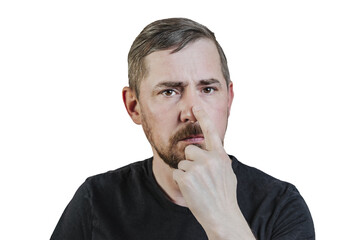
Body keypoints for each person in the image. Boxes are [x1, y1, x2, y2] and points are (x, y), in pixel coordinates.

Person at [51, 18, 315, 240]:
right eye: (169, 91)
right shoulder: (96, 202)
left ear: (228, 99)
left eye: (208, 89)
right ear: (134, 107)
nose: (191, 112)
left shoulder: (280, 206)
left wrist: (224, 219)